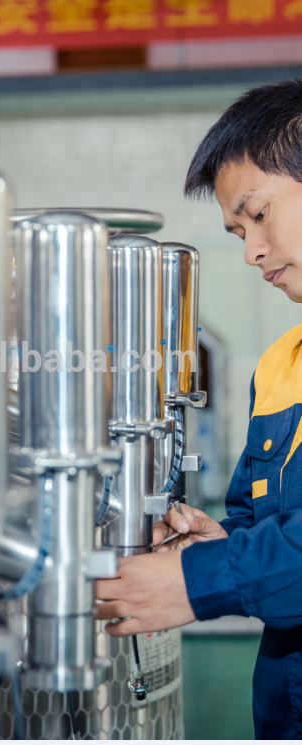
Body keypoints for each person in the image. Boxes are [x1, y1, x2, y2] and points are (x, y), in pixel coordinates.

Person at [95, 79, 302, 739]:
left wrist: (200, 579)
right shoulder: (280, 365)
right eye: (236, 231)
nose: (250, 252)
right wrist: (219, 545)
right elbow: (262, 523)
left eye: (258, 214)